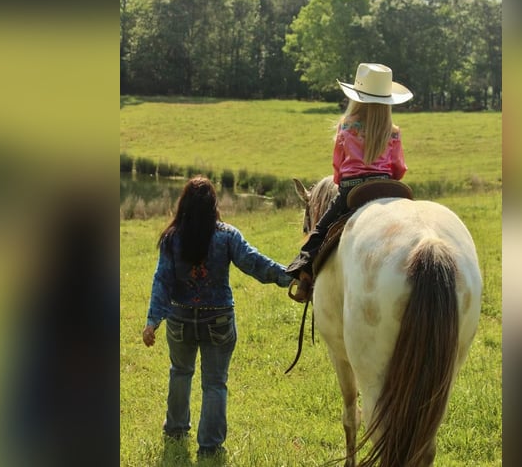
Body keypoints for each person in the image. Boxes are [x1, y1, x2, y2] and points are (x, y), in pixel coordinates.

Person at [142, 175, 293, 458]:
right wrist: (289, 276)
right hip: (219, 320)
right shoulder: (227, 235)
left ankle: (175, 428)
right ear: (214, 205)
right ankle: (209, 446)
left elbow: (161, 280)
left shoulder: (172, 238)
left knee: (180, 372)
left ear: (183, 204)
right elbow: (254, 263)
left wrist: (153, 321)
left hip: (181, 317)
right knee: (214, 383)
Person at [286, 62, 413, 303]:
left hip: (351, 189)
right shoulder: (393, 131)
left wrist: (341, 182)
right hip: (387, 188)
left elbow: (337, 168)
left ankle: (303, 278)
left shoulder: (346, 126)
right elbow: (399, 168)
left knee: (320, 231)